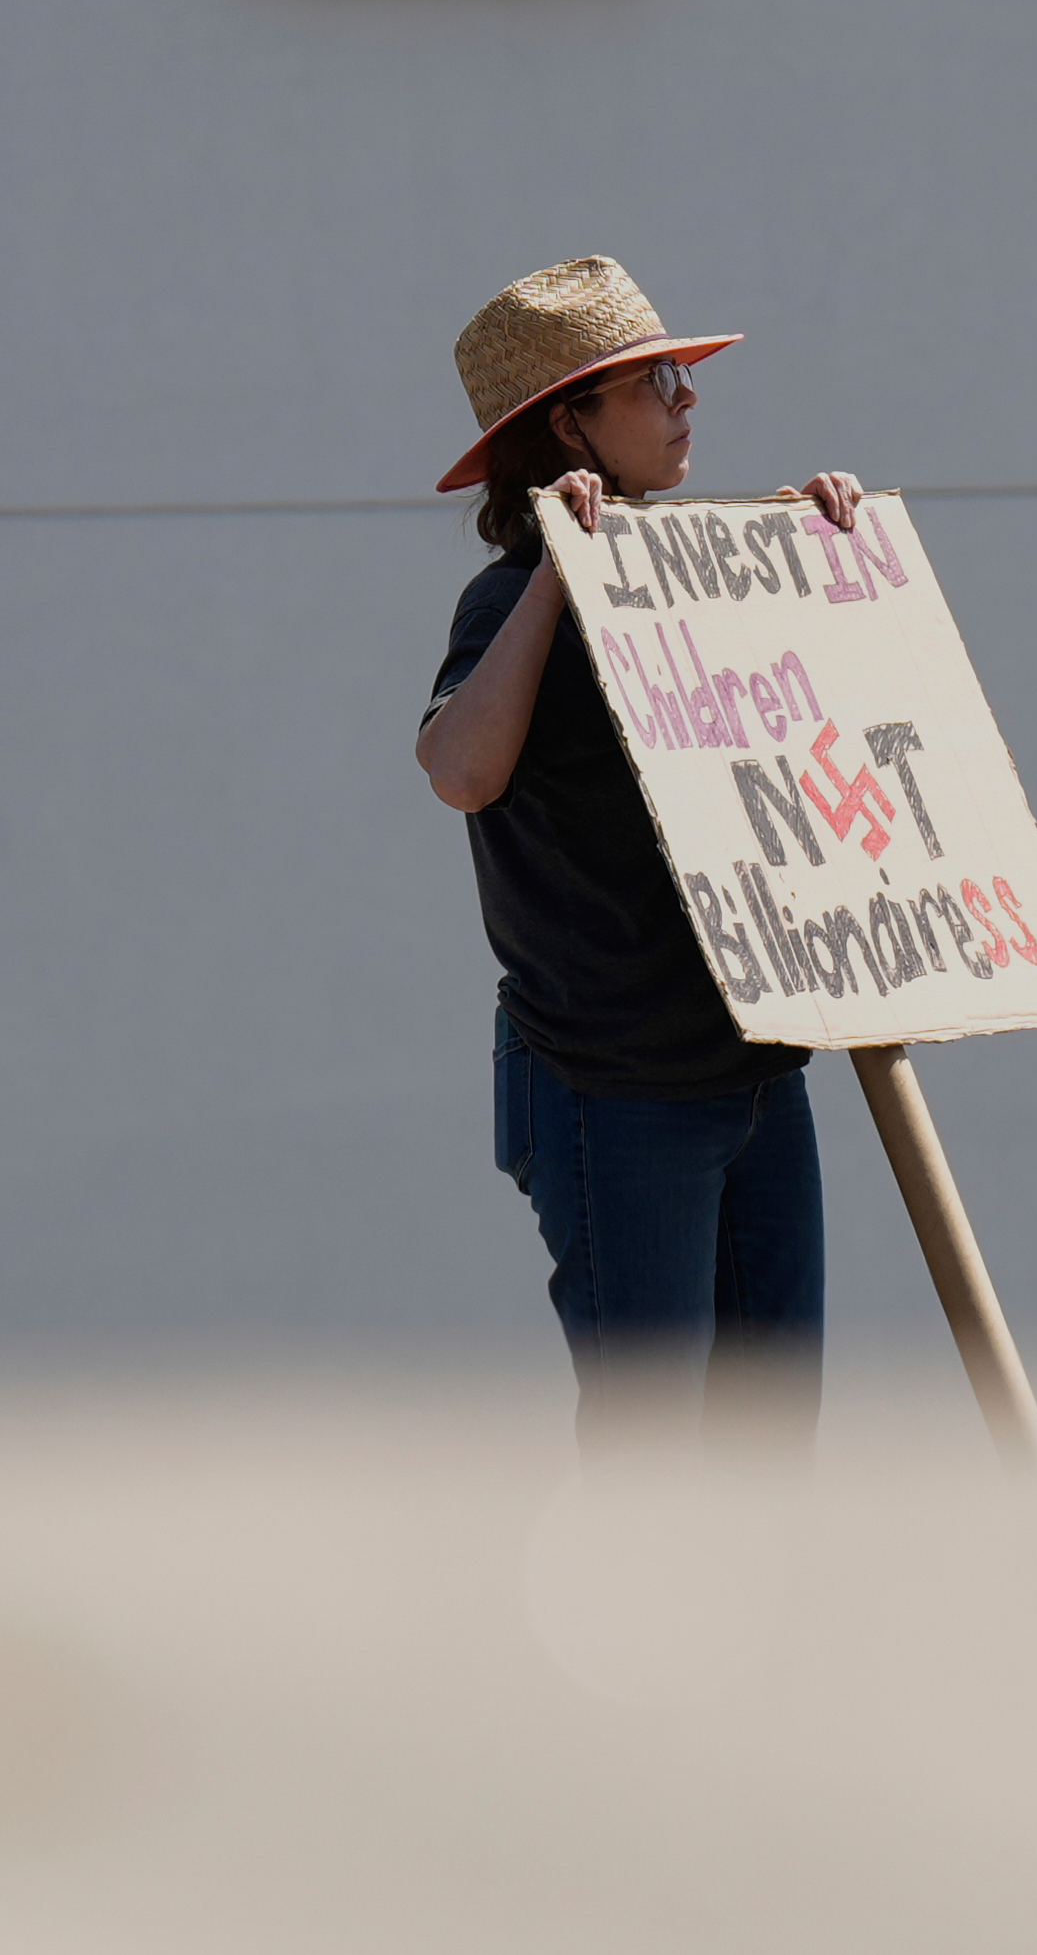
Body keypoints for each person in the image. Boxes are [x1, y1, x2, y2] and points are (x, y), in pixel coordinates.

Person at [414, 255, 865, 1456]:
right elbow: (461, 770)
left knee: (767, 1438)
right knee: (655, 1446)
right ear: (570, 423)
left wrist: (824, 558)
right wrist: (556, 580)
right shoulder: (509, 599)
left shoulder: (698, 581)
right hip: (613, 1087)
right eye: (653, 380)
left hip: (758, 1072)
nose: (686, 400)